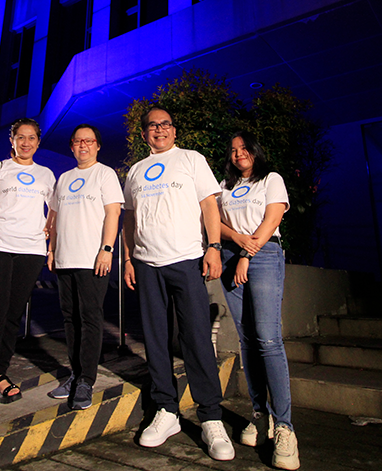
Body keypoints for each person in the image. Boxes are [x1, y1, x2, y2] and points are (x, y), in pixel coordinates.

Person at [122, 106, 235, 461]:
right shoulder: (136, 171)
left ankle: (211, 417)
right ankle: (167, 410)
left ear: (174, 130)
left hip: (186, 260)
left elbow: (209, 206)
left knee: (196, 336)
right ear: (144, 134)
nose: (160, 130)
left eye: (166, 124)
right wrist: (128, 258)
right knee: (154, 339)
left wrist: (214, 247)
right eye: (153, 126)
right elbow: (129, 218)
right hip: (147, 264)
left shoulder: (191, 159)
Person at [0, 118, 55, 418]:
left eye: (31, 138)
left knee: (12, 315)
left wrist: (48, 232)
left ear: (38, 142)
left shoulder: (46, 174)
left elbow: (54, 210)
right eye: (20, 137)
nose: (26, 142)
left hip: (31, 251)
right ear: (12, 140)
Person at [218, 131, 297, 469]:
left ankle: (285, 428)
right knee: (247, 341)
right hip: (229, 256)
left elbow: (273, 218)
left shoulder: (271, 179)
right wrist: (235, 241)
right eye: (234, 150)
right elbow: (216, 221)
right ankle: (259, 415)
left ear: (255, 150)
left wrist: (247, 254)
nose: (239, 154)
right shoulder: (226, 185)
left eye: (244, 148)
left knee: (268, 339)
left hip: (262, 256)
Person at [45, 124, 123, 410]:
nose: (83, 146)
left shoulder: (104, 174)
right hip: (65, 258)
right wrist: (51, 250)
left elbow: (113, 213)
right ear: (72, 146)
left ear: (97, 146)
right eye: (78, 141)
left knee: (90, 319)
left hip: (92, 260)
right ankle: (75, 374)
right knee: (70, 319)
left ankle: (86, 380)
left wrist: (107, 249)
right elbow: (53, 217)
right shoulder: (64, 178)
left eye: (89, 141)